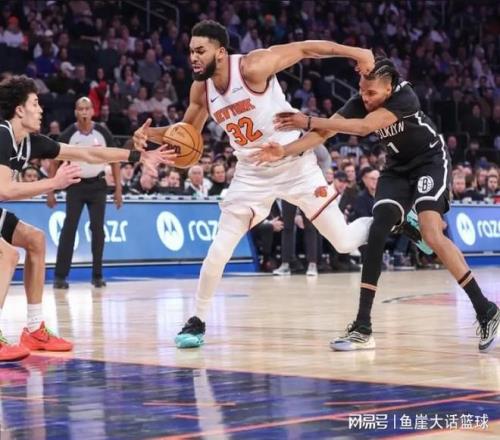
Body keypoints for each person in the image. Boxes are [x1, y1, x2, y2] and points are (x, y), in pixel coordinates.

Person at [133, 20, 377, 348]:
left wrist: (357, 52)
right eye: (190, 51)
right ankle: (197, 320)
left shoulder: (252, 67)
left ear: (221, 52)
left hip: (293, 162)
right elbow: (185, 133)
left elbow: (305, 49)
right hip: (251, 173)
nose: (193, 57)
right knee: (219, 250)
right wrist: (147, 134)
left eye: (200, 51)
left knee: (344, 241)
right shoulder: (201, 89)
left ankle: (389, 220)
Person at [258, 56, 500, 353]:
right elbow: (326, 132)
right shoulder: (363, 98)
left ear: (389, 88)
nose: (365, 97)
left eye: (371, 93)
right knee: (377, 230)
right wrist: (284, 150)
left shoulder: (405, 97)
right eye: (361, 90)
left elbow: (362, 128)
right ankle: (363, 326)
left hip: (430, 162)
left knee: (432, 234)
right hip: (396, 169)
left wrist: (307, 119)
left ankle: (485, 309)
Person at [0, 75, 175, 361]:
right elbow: (5, 190)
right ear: (20, 110)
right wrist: (53, 183)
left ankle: (34, 329)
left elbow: (88, 153)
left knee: (35, 240)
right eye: (35, 103)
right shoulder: (3, 134)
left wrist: (137, 156)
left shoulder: (30, 142)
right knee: (7, 254)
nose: (41, 109)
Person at [50, 97, 123, 289]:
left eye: (87, 108)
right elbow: (54, 161)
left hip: (98, 185)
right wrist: (51, 190)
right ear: (76, 112)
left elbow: (115, 160)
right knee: (69, 228)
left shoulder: (102, 132)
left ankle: (97, 275)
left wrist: (118, 189)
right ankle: (60, 276)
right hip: (75, 185)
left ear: (92, 111)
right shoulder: (68, 133)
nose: (84, 112)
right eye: (80, 109)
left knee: (98, 231)